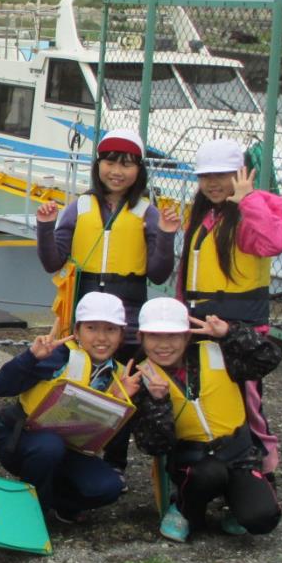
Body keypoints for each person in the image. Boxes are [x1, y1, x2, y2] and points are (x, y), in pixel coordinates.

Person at [34, 127, 179, 473]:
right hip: (82, 315)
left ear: (139, 170)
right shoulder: (78, 208)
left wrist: (168, 237)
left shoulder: (147, 212)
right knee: (77, 388)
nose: (117, 171)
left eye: (127, 164)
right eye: (110, 162)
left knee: (122, 390)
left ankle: (115, 463)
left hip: (126, 320)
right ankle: (73, 455)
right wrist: (45, 226)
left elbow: (158, 273)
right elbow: (53, 261)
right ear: (98, 165)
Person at [175, 138, 282, 474]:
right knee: (202, 395)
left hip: (241, 332)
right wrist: (178, 315)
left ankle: (262, 472)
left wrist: (249, 200)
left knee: (248, 406)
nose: (212, 183)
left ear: (242, 172)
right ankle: (204, 467)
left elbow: (276, 241)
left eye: (222, 174)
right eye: (205, 176)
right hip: (200, 326)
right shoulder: (203, 215)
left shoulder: (260, 208)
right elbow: (188, 273)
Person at [129, 297, 282, 541]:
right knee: (208, 475)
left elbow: (270, 358)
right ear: (141, 338)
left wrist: (230, 333)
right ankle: (184, 508)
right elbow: (153, 445)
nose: (164, 345)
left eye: (173, 336)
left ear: (187, 336)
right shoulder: (140, 377)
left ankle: (237, 504)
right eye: (154, 336)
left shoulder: (219, 352)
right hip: (193, 460)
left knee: (261, 519)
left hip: (239, 454)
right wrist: (159, 402)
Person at [0, 292, 141, 524]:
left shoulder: (120, 376)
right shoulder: (58, 357)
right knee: (49, 446)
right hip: (24, 441)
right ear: (77, 331)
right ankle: (30, 512)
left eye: (111, 329)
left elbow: (105, 438)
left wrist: (119, 401)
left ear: (121, 335)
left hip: (72, 450)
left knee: (109, 487)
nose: (101, 337)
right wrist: (30, 358)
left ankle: (57, 502)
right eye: (92, 328)